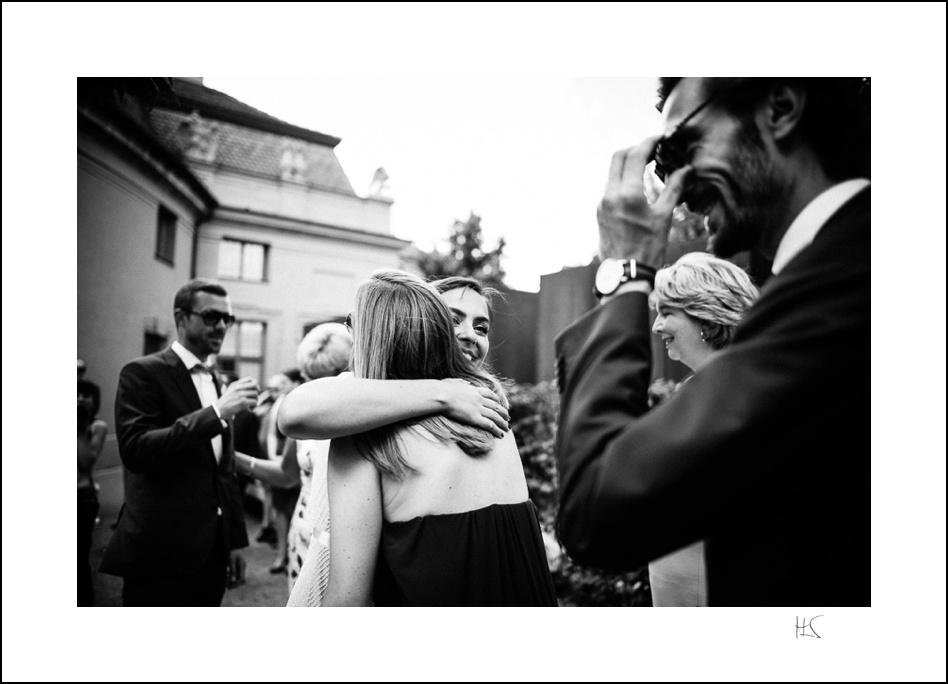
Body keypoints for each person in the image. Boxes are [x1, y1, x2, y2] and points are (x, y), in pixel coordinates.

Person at [554, 77, 870, 606]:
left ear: (781, 107)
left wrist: (626, 271)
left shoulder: (852, 281)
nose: (675, 183)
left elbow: (596, 512)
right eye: (661, 163)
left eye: (678, 147)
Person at [288, 270, 556, 606]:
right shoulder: (494, 424)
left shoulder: (367, 441)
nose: (469, 336)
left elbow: (347, 600)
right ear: (426, 326)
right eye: (452, 320)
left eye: (482, 327)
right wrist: (445, 393)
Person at [100, 278, 259, 606]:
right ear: (182, 318)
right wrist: (217, 411)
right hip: (161, 550)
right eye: (211, 316)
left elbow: (222, 469)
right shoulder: (143, 372)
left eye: (227, 319)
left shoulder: (215, 379)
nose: (221, 326)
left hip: (211, 554)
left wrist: (234, 540)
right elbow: (136, 449)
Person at [645, 252, 758, 606]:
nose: (656, 326)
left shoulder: (727, 397)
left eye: (666, 313)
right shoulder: (706, 389)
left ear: (706, 319)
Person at [235, 322, 353, 596]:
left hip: (344, 540)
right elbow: (287, 475)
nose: (311, 387)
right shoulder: (303, 421)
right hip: (302, 533)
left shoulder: (364, 419)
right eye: (307, 377)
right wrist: (234, 460)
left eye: (321, 378)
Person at [77, 378, 107, 606]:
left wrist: (79, 427)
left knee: (78, 560)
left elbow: (86, 461)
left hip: (81, 497)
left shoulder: (97, 426)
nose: (80, 400)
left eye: (86, 396)